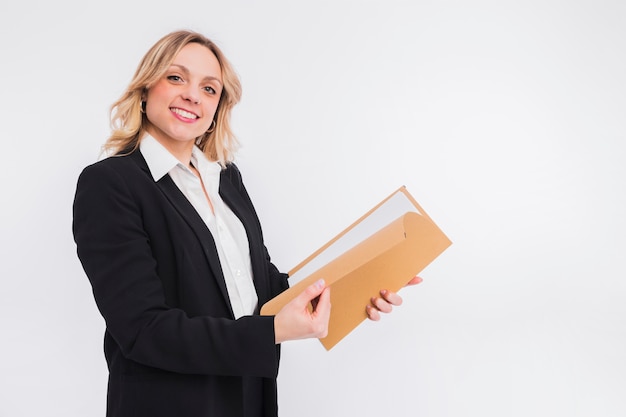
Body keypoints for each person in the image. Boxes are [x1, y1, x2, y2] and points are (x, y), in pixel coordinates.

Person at [72, 29, 421, 417]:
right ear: (144, 89)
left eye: (210, 89)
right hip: (170, 404)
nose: (192, 95)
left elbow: (261, 288)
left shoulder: (226, 178)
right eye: (176, 78)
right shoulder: (110, 183)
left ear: (218, 107)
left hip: (249, 396)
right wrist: (271, 331)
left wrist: (361, 281)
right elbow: (143, 330)